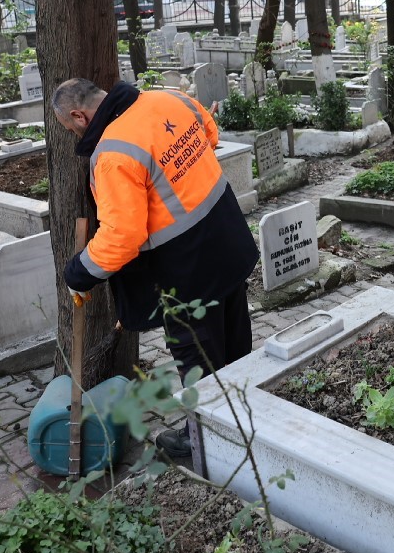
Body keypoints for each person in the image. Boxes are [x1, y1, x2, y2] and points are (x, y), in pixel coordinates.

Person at [53, 78, 258, 458]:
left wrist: (78, 273)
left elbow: (123, 236)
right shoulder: (168, 98)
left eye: (70, 129)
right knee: (235, 334)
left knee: (197, 352)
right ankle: (251, 411)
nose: (73, 135)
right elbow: (209, 135)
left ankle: (207, 439)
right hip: (227, 237)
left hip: (186, 269)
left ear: (79, 116)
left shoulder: (113, 154)